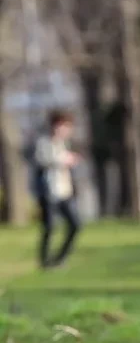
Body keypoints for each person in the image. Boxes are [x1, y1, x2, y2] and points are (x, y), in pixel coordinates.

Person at [33, 110, 82, 269]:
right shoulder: (44, 142)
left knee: (75, 224)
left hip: (64, 192)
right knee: (49, 227)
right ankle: (45, 261)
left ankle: (61, 258)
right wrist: (64, 160)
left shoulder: (63, 145)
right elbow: (42, 160)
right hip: (48, 191)